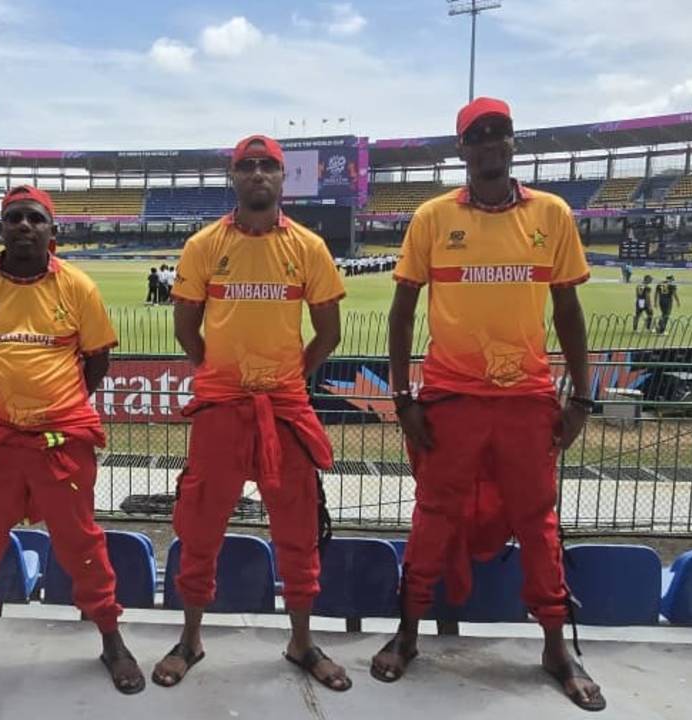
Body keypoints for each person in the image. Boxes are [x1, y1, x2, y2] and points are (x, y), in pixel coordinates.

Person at [370, 98, 604, 712]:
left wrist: (581, 395)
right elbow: (401, 313)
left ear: (512, 146)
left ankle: (556, 648)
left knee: (538, 521)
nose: (491, 144)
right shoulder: (431, 217)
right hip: (450, 397)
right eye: (478, 136)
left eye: (500, 134)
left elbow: (570, 312)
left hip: (526, 397)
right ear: (463, 150)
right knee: (433, 515)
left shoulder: (551, 214)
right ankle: (408, 633)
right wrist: (402, 397)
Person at [0, 185, 146, 695]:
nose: (24, 226)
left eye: (35, 218)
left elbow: (96, 359)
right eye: (14, 218)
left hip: (61, 442)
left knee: (82, 544)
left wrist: (57, 404)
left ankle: (110, 638)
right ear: (0, 228)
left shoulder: (77, 286)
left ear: (52, 231)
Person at [153, 135, 349, 691]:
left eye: (268, 166)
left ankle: (302, 643)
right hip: (222, 407)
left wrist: (287, 377)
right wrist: (220, 373)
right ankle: (190, 640)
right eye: (247, 166)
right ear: (233, 177)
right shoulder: (203, 246)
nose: (258, 174)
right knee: (199, 524)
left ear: (283, 178)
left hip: (283, 408)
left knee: (298, 529)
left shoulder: (308, 247)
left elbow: (328, 333)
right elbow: (185, 326)